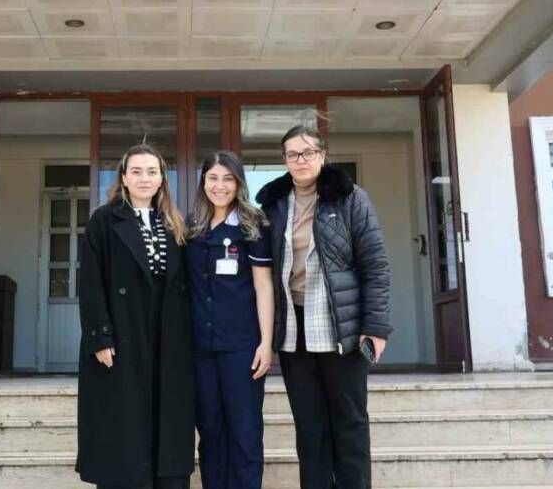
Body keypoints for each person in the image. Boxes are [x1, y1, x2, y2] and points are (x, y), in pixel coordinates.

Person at [255, 125, 393, 489]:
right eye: (292, 154)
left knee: (348, 422)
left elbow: (375, 264)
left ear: (322, 154)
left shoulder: (351, 198)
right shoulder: (274, 204)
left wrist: (376, 326)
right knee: (310, 426)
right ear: (284, 160)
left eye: (307, 152)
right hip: (294, 331)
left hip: (341, 328)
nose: (300, 160)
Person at [76, 143, 195, 489]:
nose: (145, 178)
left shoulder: (175, 222)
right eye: (137, 171)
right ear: (124, 178)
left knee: (167, 421)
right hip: (123, 335)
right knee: (124, 424)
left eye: (152, 172)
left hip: (167, 337)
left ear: (162, 179)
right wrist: (100, 335)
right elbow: (90, 282)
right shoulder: (104, 220)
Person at [185, 150, 275, 489]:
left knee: (244, 430)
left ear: (238, 183)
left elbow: (263, 286)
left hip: (241, 346)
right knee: (210, 430)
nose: (219, 186)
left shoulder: (254, 225)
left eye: (228, 178)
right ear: (203, 183)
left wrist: (265, 344)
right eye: (213, 178)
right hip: (200, 347)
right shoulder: (192, 228)